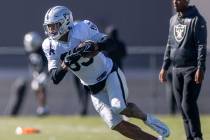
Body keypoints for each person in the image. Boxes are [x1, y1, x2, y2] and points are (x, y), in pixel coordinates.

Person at [42, 6, 170, 140]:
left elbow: (109, 42)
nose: (51, 30)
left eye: (54, 26)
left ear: (66, 22)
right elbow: (54, 78)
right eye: (49, 27)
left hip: (109, 74)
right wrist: (65, 64)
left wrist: (94, 46)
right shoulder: (49, 45)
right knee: (115, 124)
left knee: (119, 107)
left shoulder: (82, 28)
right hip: (93, 88)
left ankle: (147, 118)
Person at [159, 0, 207, 139]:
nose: (174, 2)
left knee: (188, 104)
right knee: (182, 108)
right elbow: (170, 44)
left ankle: (197, 137)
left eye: (178, 0)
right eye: (173, 0)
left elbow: (201, 46)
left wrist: (200, 67)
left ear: (186, 1)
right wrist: (164, 67)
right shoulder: (173, 19)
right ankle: (189, 138)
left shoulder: (197, 19)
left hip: (191, 68)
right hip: (176, 69)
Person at [8, 32, 49, 116]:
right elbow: (32, 65)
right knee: (36, 88)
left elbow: (46, 62)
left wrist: (45, 73)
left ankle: (43, 108)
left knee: (40, 87)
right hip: (36, 73)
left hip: (43, 73)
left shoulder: (42, 51)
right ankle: (41, 108)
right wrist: (34, 73)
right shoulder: (29, 52)